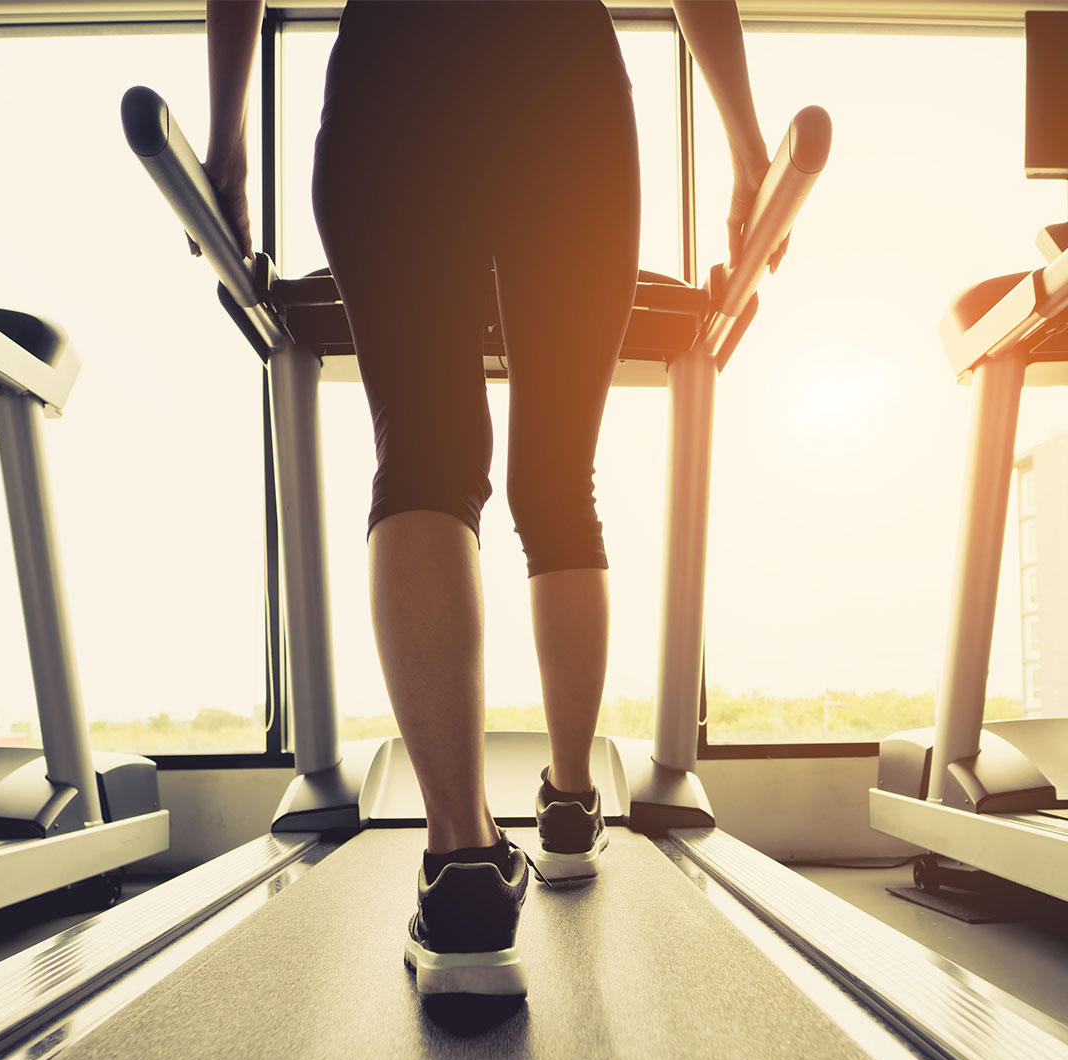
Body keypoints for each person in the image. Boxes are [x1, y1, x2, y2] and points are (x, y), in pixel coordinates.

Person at [202, 0, 784, 1003]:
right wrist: (743, 142)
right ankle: (568, 805)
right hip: (560, 77)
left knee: (424, 455)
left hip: (396, 65)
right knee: (559, 480)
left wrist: (227, 136)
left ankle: (463, 862)